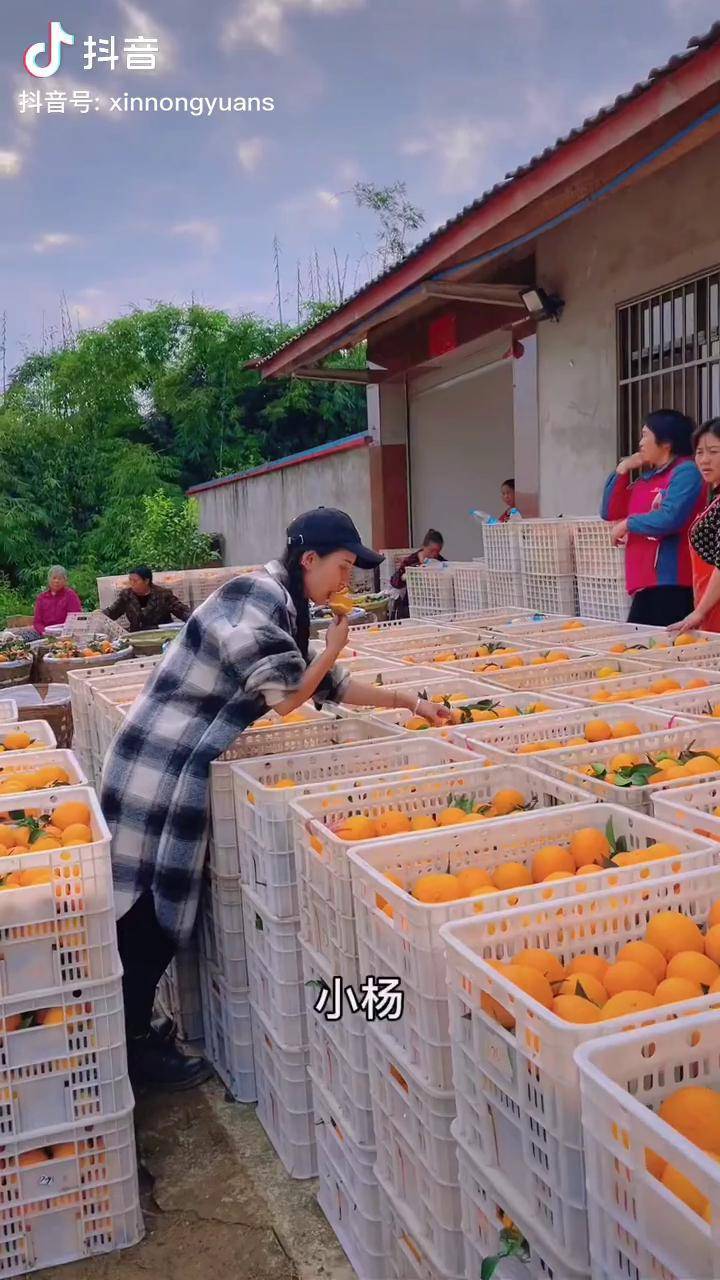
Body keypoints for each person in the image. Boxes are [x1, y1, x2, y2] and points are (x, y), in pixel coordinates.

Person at [101, 508, 450, 1089]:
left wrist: (413, 704)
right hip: (156, 767)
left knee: (157, 901)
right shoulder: (254, 597)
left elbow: (326, 687)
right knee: (145, 908)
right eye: (341, 567)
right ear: (308, 560)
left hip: (179, 760)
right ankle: (131, 1049)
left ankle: (133, 1028)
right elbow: (291, 697)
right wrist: (334, 647)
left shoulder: (284, 607)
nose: (346, 582)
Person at [601, 409, 703, 626]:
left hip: (672, 582)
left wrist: (629, 523)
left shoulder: (686, 472)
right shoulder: (648, 479)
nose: (641, 442)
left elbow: (670, 518)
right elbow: (610, 511)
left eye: (646, 435)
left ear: (666, 442)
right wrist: (623, 469)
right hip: (644, 582)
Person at [671, 419, 720, 633]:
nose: (704, 460)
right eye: (699, 452)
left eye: (714, 451)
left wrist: (699, 612)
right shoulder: (713, 499)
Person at [103, 566, 191, 632]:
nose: (132, 583)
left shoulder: (163, 595)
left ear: (146, 581)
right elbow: (111, 613)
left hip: (160, 634)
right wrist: (97, 616)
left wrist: (194, 619)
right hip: (136, 636)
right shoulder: (127, 596)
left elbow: (182, 611)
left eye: (135, 581)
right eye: (130, 580)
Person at [390, 530, 445, 620]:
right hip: (412, 606)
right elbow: (394, 582)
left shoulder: (441, 562)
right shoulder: (410, 561)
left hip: (434, 607)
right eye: (432, 551)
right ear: (424, 547)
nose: (434, 554)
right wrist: (404, 577)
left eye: (438, 551)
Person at [32, 566, 83, 636]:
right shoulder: (42, 598)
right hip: (45, 634)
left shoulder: (70, 595)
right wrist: (44, 632)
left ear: (65, 580)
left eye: (59, 578)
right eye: (54, 578)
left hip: (66, 634)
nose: (56, 581)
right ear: (49, 580)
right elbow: (37, 622)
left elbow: (75, 617)